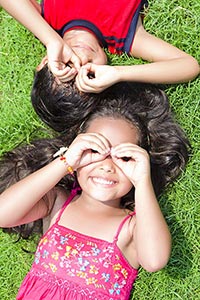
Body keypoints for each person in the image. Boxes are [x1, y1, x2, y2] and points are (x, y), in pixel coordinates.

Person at [0, 83, 190, 299]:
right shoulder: (58, 203)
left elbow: (155, 260)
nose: (107, 166)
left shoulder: (131, 226)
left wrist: (142, 181)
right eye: (94, 150)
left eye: (124, 158)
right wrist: (65, 162)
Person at [0, 0, 199, 94]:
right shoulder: (124, 35)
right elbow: (188, 65)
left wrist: (51, 40)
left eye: (69, 67)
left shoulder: (47, 23)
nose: (83, 60)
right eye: (91, 73)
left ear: (46, 62)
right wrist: (119, 73)